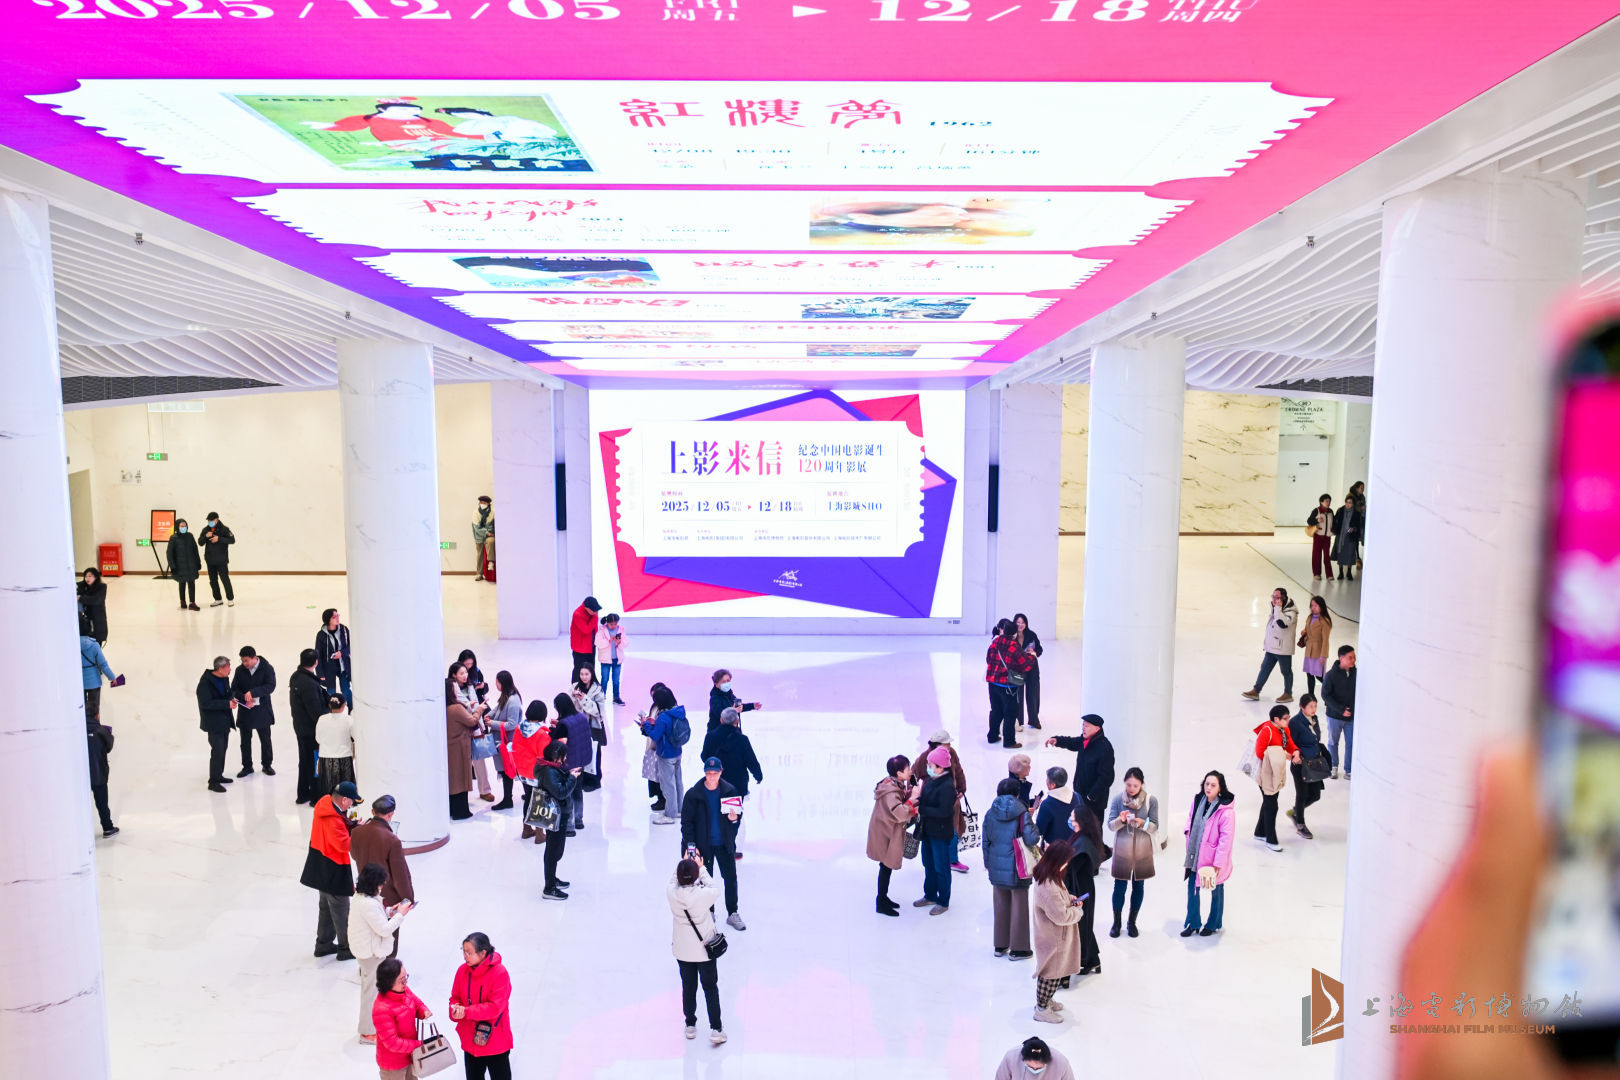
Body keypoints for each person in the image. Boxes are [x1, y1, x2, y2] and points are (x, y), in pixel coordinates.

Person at [349, 862, 413, 1044]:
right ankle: (367, 1033)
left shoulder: (361, 897)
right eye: (380, 883)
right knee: (370, 993)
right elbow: (384, 929)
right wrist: (400, 915)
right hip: (371, 953)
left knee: (371, 991)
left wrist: (389, 911)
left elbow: (375, 916)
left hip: (366, 951)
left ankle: (370, 1028)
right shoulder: (368, 904)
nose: (382, 887)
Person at [680, 756, 745, 930]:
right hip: (703, 846)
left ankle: (733, 912)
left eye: (715, 773)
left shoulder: (730, 791)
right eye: (708, 773)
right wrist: (691, 846)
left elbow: (737, 817)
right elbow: (686, 823)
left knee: (730, 878)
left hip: (724, 844)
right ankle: (709, 912)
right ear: (704, 773)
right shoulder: (693, 795)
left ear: (721, 772)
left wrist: (733, 819)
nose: (712, 776)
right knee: (705, 881)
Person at [300, 779, 361, 961]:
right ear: (344, 800)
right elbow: (344, 845)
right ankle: (346, 948)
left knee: (326, 907)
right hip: (333, 868)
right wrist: (360, 833)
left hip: (320, 864)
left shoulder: (325, 804)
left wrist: (351, 826)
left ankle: (323, 944)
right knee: (341, 909)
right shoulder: (333, 819)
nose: (352, 805)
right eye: (351, 801)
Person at [668, 858, 726, 1046]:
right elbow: (715, 888)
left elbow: (672, 880)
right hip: (704, 950)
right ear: (695, 876)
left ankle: (690, 1025)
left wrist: (682, 864)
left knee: (688, 987)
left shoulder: (672, 893)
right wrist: (701, 868)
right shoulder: (703, 895)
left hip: (683, 951)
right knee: (710, 988)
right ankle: (716, 1029)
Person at [984, 776, 1043, 960]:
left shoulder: (990, 813)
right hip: (1017, 867)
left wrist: (988, 863)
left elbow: (986, 841)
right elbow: (1032, 839)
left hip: (996, 865)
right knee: (1019, 907)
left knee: (1000, 905)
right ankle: (1019, 949)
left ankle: (1000, 945)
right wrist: (1033, 823)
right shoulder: (1022, 813)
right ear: (1017, 794)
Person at [350, 795, 416, 958]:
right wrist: (408, 899)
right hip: (388, 898)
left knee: (369, 934)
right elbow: (400, 875)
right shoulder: (392, 840)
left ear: (372, 812)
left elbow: (354, 855)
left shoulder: (357, 832)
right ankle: (387, 969)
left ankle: (369, 966)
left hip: (364, 890)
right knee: (388, 940)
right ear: (391, 814)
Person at [1030, 839, 1083, 1024]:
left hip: (1052, 935)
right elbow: (1061, 916)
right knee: (1051, 973)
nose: (1067, 864)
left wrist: (1069, 899)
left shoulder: (1048, 876)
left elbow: (1058, 901)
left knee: (1054, 970)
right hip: (1053, 938)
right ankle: (1042, 1008)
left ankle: (1046, 1001)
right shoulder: (1049, 887)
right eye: (1066, 861)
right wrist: (1078, 911)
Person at [698, 707, 763, 858]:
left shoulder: (711, 737)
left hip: (715, 781)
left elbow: (704, 757)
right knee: (733, 816)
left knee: (715, 812)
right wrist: (758, 775)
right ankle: (731, 848)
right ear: (736, 722)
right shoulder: (742, 739)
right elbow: (751, 760)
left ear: (721, 720)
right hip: (736, 784)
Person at [449, 932, 513, 1080]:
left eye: (469, 953)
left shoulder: (500, 973)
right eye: (463, 951)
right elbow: (455, 997)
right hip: (471, 1042)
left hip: (495, 1042)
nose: (465, 956)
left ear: (483, 953)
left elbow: (495, 1007)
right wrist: (455, 1009)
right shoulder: (462, 971)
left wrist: (466, 1011)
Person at [1105, 766, 1159, 939]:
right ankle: (1116, 923)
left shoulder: (1151, 800)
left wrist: (1143, 823)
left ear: (1141, 784)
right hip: (1122, 851)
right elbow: (1110, 826)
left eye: (1135, 785)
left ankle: (1132, 922)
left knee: (1138, 887)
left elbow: (1155, 826)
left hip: (1142, 852)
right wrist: (1121, 820)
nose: (1132, 789)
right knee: (1119, 887)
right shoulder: (1117, 800)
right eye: (1129, 785)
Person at [1181, 770, 1235, 938]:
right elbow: (1190, 819)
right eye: (1207, 784)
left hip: (1214, 859)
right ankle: (1193, 923)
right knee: (1192, 888)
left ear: (1220, 788)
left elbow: (1226, 840)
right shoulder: (1198, 801)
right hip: (1195, 855)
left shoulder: (1226, 811)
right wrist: (1187, 832)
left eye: (1213, 785)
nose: (1208, 788)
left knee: (1216, 890)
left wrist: (1218, 863)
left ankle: (1213, 923)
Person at [1044, 713, 1116, 834]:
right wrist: (1057, 740)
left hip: (1094, 800)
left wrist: (1092, 795)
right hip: (1080, 795)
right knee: (1080, 828)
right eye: (1083, 725)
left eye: (1087, 726)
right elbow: (1072, 742)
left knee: (1094, 830)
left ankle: (1096, 847)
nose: (1083, 728)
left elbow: (1107, 777)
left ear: (1097, 728)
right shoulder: (1085, 740)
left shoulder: (1105, 748)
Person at [867, 754, 918, 916]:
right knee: (886, 866)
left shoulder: (893, 784)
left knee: (885, 866)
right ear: (898, 773)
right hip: (885, 833)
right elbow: (899, 813)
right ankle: (881, 902)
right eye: (907, 769)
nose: (910, 771)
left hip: (886, 830)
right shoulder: (890, 791)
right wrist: (913, 798)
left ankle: (883, 898)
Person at [912, 730, 970, 874]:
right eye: (946, 743)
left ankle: (952, 860)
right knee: (938, 831)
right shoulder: (926, 757)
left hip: (950, 798)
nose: (949, 746)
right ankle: (939, 861)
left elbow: (959, 771)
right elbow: (913, 773)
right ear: (937, 744)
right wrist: (914, 793)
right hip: (932, 799)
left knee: (953, 830)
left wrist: (962, 788)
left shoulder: (952, 754)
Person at [533, 740, 581, 899]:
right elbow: (560, 792)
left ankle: (552, 879)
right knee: (553, 851)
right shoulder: (548, 771)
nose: (565, 758)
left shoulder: (551, 768)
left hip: (559, 815)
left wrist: (568, 774)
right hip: (556, 816)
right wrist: (572, 778)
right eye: (563, 756)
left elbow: (557, 784)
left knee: (555, 849)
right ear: (556, 757)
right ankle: (549, 888)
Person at [914, 745, 958, 915]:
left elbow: (944, 812)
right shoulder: (932, 780)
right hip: (928, 831)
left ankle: (943, 901)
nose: (928, 767)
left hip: (940, 834)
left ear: (940, 767)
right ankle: (930, 895)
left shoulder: (947, 786)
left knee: (941, 868)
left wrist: (922, 809)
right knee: (929, 864)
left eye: (930, 765)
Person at [372, 958, 430, 1080]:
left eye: (406, 977)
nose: (406, 983)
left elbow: (416, 1003)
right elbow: (392, 1042)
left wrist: (423, 1011)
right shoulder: (381, 1009)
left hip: (410, 1056)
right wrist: (418, 1045)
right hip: (393, 1065)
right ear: (389, 983)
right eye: (402, 980)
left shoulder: (403, 990)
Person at [638, 683, 688, 825]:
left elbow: (655, 735)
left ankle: (670, 814)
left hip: (666, 754)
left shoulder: (663, 717)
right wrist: (655, 723)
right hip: (677, 751)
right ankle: (679, 809)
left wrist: (645, 724)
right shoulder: (677, 711)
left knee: (668, 785)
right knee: (678, 782)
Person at [1252, 705, 1300, 852]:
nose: (1288, 720)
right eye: (1285, 718)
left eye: (1288, 717)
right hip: (1265, 773)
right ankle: (1270, 839)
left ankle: (1260, 832)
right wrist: (1284, 755)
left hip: (1275, 772)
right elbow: (1260, 753)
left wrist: (1295, 751)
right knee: (1272, 805)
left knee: (1269, 802)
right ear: (1276, 719)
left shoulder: (1284, 729)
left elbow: (1289, 743)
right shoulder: (1267, 731)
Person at [1066, 803, 1105, 975]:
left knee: (1083, 926)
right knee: (1084, 924)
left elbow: (1072, 866)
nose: (1070, 820)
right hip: (1082, 888)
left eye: (1073, 817)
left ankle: (1086, 960)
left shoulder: (1083, 844)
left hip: (1081, 891)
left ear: (1080, 820)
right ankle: (1093, 961)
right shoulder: (1083, 838)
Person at [1241, 587, 1298, 703]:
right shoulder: (1275, 608)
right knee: (1265, 668)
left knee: (1286, 671)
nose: (1274, 599)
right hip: (1272, 647)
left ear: (1283, 598)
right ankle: (1256, 690)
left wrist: (1277, 608)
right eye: (1273, 596)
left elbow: (1282, 624)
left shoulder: (1291, 612)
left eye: (1277, 597)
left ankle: (1288, 694)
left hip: (1283, 649)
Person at [986, 618, 1036, 749]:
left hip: (992, 683)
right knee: (1010, 714)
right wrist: (1033, 656)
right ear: (1014, 633)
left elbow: (988, 659)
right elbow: (1025, 664)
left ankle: (992, 736)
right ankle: (1009, 741)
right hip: (1008, 686)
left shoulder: (995, 642)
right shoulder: (1014, 646)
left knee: (996, 711)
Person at [446, 664, 486, 821]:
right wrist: (480, 709)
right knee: (460, 779)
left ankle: (454, 809)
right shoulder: (456, 708)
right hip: (460, 748)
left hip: (452, 747)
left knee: (454, 779)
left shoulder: (447, 707)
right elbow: (471, 721)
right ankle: (461, 811)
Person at [288, 648, 326, 806]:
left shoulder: (297, 676)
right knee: (314, 762)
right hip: (311, 730)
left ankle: (303, 793)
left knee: (305, 761)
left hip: (301, 727)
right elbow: (315, 711)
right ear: (316, 662)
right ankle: (316, 796)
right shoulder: (309, 683)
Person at [231, 645, 276, 777]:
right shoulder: (240, 670)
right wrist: (244, 699)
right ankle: (247, 766)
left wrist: (253, 693)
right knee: (245, 741)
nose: (244, 663)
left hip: (262, 710)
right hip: (246, 710)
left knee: (265, 740)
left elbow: (271, 686)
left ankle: (267, 765)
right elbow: (234, 689)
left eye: (246, 660)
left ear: (254, 658)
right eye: (242, 661)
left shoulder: (267, 668)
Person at [456, 651, 496, 802]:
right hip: (460, 725)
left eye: (469, 667)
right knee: (460, 760)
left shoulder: (473, 679)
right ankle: (459, 794)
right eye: (463, 670)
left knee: (479, 758)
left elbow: (478, 698)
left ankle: (485, 790)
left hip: (475, 722)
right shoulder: (451, 686)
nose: (466, 673)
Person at [1287, 693, 1327, 839]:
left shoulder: (1314, 719)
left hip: (1314, 763)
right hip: (1301, 764)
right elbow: (1290, 743)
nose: (1314, 709)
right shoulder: (1295, 722)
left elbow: (1316, 739)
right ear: (1302, 707)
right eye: (1310, 706)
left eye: (1315, 706)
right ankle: (1300, 824)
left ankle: (1296, 811)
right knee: (1302, 794)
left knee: (1315, 795)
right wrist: (1295, 755)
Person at [552, 693, 592, 835]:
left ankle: (569, 826)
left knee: (567, 794)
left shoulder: (564, 724)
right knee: (577, 791)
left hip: (568, 763)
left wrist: (554, 729)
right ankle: (579, 820)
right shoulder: (581, 717)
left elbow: (557, 741)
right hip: (581, 761)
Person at [196, 655, 236, 792]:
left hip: (225, 721)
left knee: (223, 749)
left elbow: (227, 694)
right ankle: (213, 782)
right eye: (228, 667)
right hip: (214, 724)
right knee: (217, 751)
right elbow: (206, 703)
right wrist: (226, 704)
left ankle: (218, 776)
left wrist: (232, 699)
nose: (230, 669)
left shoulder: (224, 678)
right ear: (220, 668)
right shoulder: (205, 683)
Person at [513, 700, 551, 839]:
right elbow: (544, 756)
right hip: (537, 773)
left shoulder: (519, 728)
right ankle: (540, 834)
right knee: (539, 800)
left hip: (522, 771)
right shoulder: (541, 734)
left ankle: (526, 829)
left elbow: (515, 747)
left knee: (529, 798)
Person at [488, 671, 523, 811]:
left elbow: (512, 724)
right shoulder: (506, 695)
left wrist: (492, 723)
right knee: (510, 769)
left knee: (508, 769)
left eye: (497, 682)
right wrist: (489, 715)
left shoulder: (513, 700)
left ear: (503, 683)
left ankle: (508, 800)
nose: (496, 684)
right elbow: (498, 708)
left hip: (507, 742)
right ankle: (525, 794)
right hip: (502, 740)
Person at [1321, 644, 1357, 779]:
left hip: (1351, 718)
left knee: (1351, 744)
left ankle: (1349, 770)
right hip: (1334, 717)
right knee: (1333, 742)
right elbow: (1325, 695)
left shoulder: (1357, 674)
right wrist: (1341, 710)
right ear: (1341, 658)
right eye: (1350, 657)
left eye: (1354, 657)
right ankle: (1333, 766)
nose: (1354, 660)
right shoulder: (1330, 675)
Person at [570, 666, 607, 793]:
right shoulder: (574, 687)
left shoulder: (598, 690)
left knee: (594, 754)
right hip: (578, 727)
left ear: (592, 674)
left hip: (593, 727)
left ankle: (594, 781)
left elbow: (599, 712)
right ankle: (582, 779)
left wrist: (584, 699)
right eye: (582, 674)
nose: (584, 677)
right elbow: (570, 706)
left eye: (586, 674)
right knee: (580, 754)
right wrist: (573, 697)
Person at [79, 616, 120, 723]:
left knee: (80, 709)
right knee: (94, 709)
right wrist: (112, 678)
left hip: (79, 682)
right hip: (94, 683)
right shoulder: (94, 645)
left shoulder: (72, 646)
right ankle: (95, 728)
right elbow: (103, 665)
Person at [86, 707, 117, 838]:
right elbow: (109, 747)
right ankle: (107, 828)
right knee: (102, 803)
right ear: (97, 715)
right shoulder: (102, 731)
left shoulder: (76, 731)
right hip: (99, 773)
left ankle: (82, 832)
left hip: (81, 775)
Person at [318, 693, 357, 796]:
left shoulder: (322, 719)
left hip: (325, 758)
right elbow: (355, 736)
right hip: (344, 758)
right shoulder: (348, 720)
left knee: (327, 791)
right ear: (344, 705)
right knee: (346, 792)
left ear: (329, 705)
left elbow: (318, 739)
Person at [315, 608, 353, 710]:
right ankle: (332, 711)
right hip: (329, 669)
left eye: (337, 615)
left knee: (346, 690)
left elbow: (352, 645)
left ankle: (351, 708)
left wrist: (342, 653)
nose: (337, 618)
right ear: (328, 620)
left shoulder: (344, 630)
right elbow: (318, 655)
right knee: (331, 692)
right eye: (334, 616)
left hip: (343, 667)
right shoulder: (321, 635)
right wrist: (320, 673)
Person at [1012, 613, 1044, 729]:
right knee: (1017, 695)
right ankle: (1018, 721)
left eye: (1023, 622)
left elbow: (1039, 649)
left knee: (1033, 694)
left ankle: (1034, 720)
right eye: (1018, 622)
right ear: (1014, 623)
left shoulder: (1031, 635)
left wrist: (1035, 653)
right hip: (1017, 669)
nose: (1020, 625)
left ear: (1026, 624)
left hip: (1031, 668)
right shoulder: (1011, 636)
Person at [198, 511, 235, 607]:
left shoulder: (225, 529)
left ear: (217, 519)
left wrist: (219, 539)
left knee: (225, 579)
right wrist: (205, 536)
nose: (210, 522)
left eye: (212, 520)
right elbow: (200, 542)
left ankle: (230, 599)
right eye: (208, 520)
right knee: (213, 581)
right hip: (210, 560)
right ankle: (218, 599)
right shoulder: (206, 529)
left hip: (221, 560)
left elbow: (232, 540)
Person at [994, 1037, 1075, 1080]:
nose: (1034, 1070)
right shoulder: (1011, 1057)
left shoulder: (1061, 1063)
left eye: (1039, 1068)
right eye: (1030, 1067)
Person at [1301, 595, 1333, 698]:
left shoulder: (1325, 621)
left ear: (1321, 606)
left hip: (1318, 652)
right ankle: (1311, 696)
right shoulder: (1310, 617)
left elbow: (1325, 640)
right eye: (1312, 605)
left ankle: (1331, 693)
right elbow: (1309, 630)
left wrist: (1323, 655)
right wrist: (1305, 632)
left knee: (1319, 676)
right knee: (1309, 674)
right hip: (1309, 650)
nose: (1313, 608)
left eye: (1316, 605)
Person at [166, 517, 201, 611]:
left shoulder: (190, 536)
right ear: (177, 527)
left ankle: (192, 603)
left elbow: (195, 550)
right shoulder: (173, 538)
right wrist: (172, 566)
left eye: (185, 526)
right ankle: (183, 601)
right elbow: (169, 553)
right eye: (181, 526)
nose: (183, 527)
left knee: (192, 583)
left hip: (191, 565)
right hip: (180, 566)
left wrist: (198, 562)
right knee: (182, 583)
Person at [1034, 766, 1074, 846]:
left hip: (1053, 847)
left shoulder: (1047, 804)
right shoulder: (1077, 796)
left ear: (1052, 785)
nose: (1046, 781)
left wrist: (1037, 811)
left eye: (1047, 779)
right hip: (1074, 844)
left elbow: (1039, 830)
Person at [595, 612, 626, 705]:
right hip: (605, 660)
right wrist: (608, 640)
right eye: (611, 624)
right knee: (604, 679)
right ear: (607, 623)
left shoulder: (620, 630)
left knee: (616, 681)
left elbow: (625, 642)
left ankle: (616, 697)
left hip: (617, 659)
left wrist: (619, 642)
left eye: (615, 624)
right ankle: (601, 696)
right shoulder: (602, 630)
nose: (613, 626)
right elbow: (597, 643)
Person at [569, 595, 601, 681]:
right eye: (594, 610)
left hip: (590, 646)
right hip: (580, 649)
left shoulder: (592, 613)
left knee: (590, 668)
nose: (596, 612)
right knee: (579, 669)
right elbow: (586, 630)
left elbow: (594, 629)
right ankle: (575, 686)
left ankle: (590, 686)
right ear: (587, 608)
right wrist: (595, 618)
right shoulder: (577, 614)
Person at [1307, 492, 1337, 580]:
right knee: (1317, 555)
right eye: (1326, 501)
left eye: (1329, 501)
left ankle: (1329, 575)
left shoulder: (1331, 511)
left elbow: (1334, 523)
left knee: (1327, 556)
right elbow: (1309, 521)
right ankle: (1316, 574)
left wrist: (1333, 530)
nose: (1328, 503)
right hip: (1318, 536)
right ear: (1321, 502)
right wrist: (1317, 520)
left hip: (1327, 537)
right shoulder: (1316, 510)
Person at [1332, 494, 1362, 581]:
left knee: (1350, 554)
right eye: (1347, 502)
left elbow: (1358, 525)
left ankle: (1349, 572)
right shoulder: (1340, 510)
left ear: (1353, 504)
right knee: (1340, 553)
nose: (1348, 504)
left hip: (1350, 537)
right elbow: (1335, 520)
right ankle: (1341, 572)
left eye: (1350, 503)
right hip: (1341, 536)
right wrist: (1334, 529)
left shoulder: (1356, 513)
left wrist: (1354, 528)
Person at [77, 566, 108, 643]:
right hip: (86, 618)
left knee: (98, 639)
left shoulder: (102, 587)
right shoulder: (83, 586)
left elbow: (97, 600)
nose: (87, 578)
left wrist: (81, 598)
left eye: (90, 576)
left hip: (98, 618)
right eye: (86, 576)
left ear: (95, 577)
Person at [472, 495, 494, 581]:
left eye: (484, 503)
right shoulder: (475, 513)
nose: (482, 504)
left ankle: (491, 562)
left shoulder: (492, 513)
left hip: (490, 535)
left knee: (491, 542)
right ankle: (479, 574)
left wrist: (489, 533)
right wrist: (487, 532)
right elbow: (477, 528)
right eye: (481, 502)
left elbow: (493, 526)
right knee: (479, 554)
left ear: (488, 504)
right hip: (479, 536)